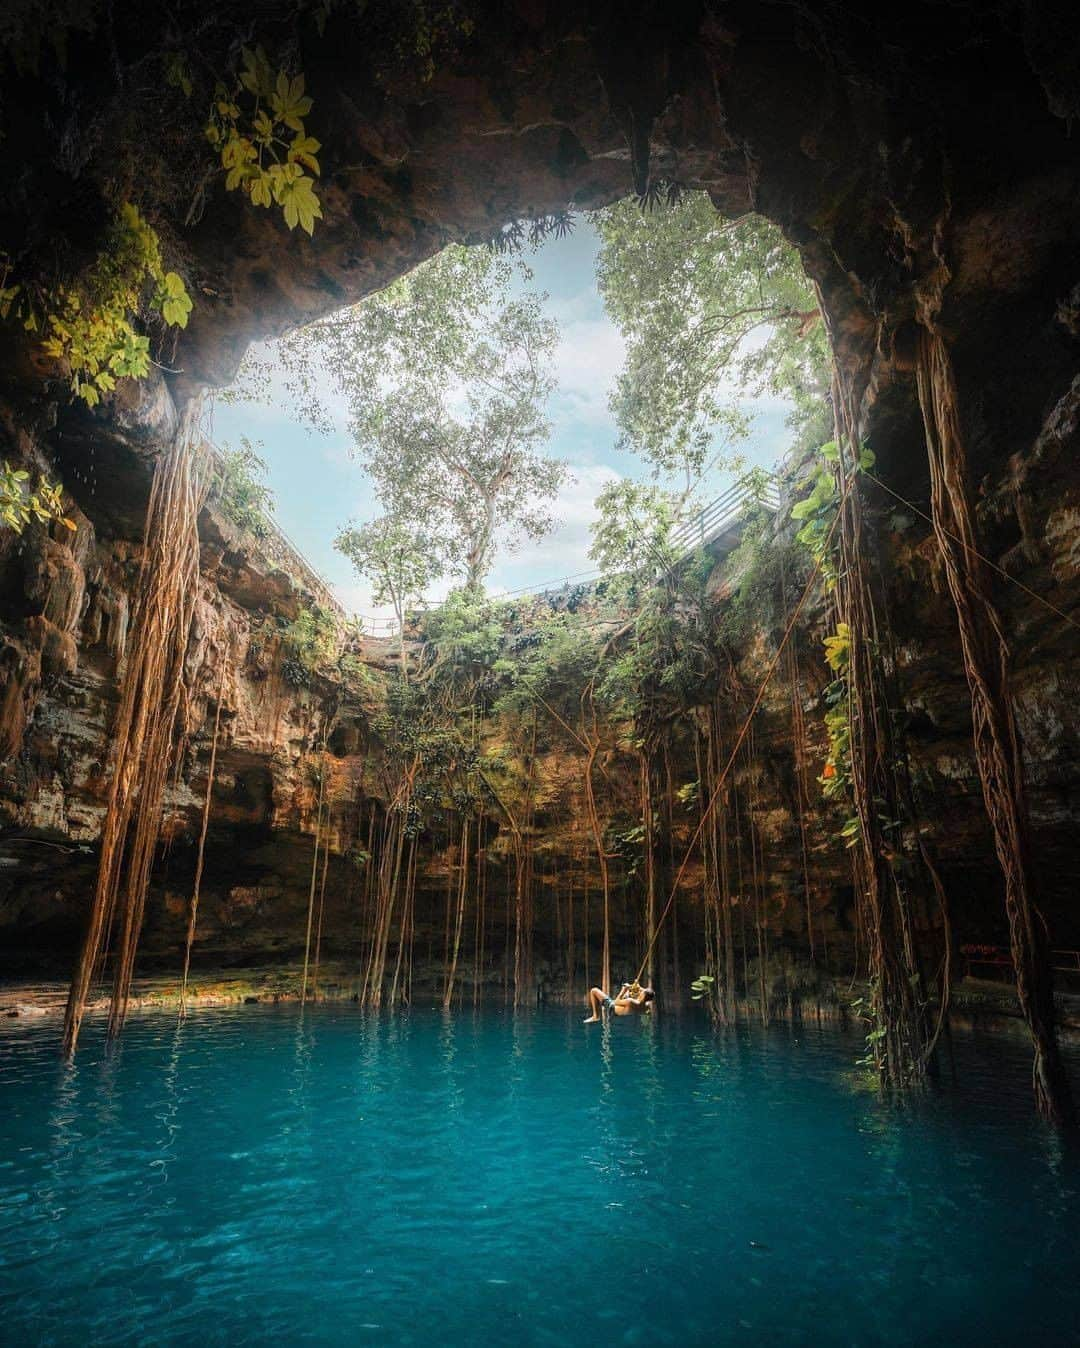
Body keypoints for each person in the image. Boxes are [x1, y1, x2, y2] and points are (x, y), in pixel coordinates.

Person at [583, 981, 655, 1023]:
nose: (641, 992)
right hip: (625, 1014)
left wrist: (623, 990)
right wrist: (636, 987)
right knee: (628, 995)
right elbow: (647, 994)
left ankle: (596, 1016)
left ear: (643, 996)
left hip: (612, 1009)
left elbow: (616, 1002)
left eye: (642, 992)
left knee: (594, 990)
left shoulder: (631, 1001)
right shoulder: (646, 1006)